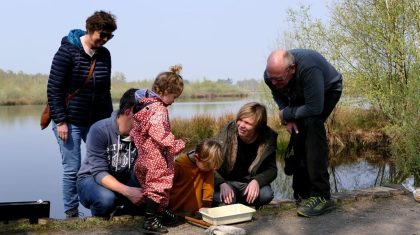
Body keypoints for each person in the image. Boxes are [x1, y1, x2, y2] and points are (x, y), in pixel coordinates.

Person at [47, 10, 117, 218]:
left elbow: (106, 90)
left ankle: (104, 205)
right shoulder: (67, 52)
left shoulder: (104, 55)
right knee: (72, 168)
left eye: (109, 37)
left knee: (104, 163)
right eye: (102, 35)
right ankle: (71, 213)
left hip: (96, 121)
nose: (104, 40)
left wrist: (110, 121)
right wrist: (60, 121)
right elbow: (54, 89)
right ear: (90, 30)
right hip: (69, 121)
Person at [264, 49, 343, 217]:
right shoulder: (271, 75)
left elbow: (315, 108)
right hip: (300, 94)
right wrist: (287, 113)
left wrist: (286, 114)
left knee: (313, 127)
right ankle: (302, 192)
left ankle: (321, 196)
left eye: (278, 79)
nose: (274, 82)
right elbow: (278, 93)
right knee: (298, 134)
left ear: (292, 68)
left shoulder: (309, 69)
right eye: (271, 78)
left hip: (327, 91)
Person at [130, 65, 186, 234]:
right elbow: (159, 133)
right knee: (158, 187)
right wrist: (177, 144)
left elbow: (134, 133)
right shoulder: (158, 110)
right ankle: (150, 220)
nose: (174, 101)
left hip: (145, 155)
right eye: (174, 96)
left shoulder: (143, 107)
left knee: (156, 186)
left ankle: (160, 214)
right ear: (165, 91)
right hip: (156, 157)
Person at [77, 88, 144, 219]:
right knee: (106, 199)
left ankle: (122, 216)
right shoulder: (99, 130)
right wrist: (129, 192)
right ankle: (100, 223)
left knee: (152, 195)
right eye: (142, 115)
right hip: (91, 179)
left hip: (122, 177)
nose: (145, 121)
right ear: (128, 111)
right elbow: (99, 172)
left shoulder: (141, 132)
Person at [213, 102, 278, 209]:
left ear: (258, 126)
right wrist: (221, 183)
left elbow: (272, 169)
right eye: (240, 120)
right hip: (227, 182)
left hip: (249, 183)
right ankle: (233, 200)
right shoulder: (228, 131)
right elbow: (210, 163)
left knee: (266, 195)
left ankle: (235, 201)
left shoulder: (268, 138)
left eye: (247, 123)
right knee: (216, 196)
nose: (241, 125)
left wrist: (257, 181)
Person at [169, 139, 223, 214]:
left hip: (196, 212)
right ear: (197, 157)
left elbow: (208, 188)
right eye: (207, 166)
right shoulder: (179, 164)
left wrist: (206, 206)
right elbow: (167, 187)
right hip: (175, 210)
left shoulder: (207, 167)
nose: (210, 169)